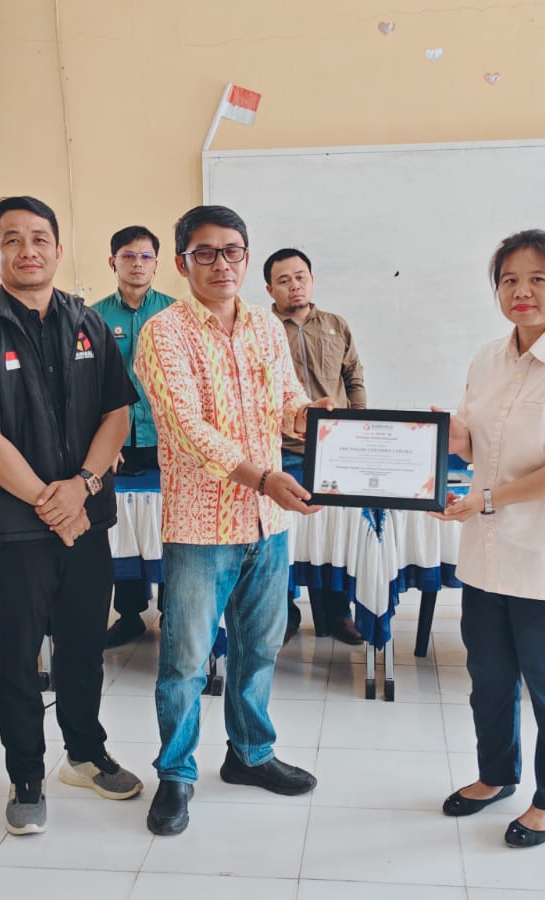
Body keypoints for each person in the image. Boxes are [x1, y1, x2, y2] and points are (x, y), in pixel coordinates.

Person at [0, 196, 143, 836]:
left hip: (86, 517)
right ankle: (25, 774)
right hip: (18, 528)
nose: (27, 250)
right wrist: (52, 504)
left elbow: (117, 415)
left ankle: (84, 754)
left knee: (84, 645)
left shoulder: (90, 325)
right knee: (19, 655)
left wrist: (81, 488)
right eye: (12, 240)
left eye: (39, 238)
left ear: (58, 249)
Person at [133, 205, 331, 836]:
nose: (222, 264)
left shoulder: (265, 327)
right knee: (187, 660)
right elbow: (187, 430)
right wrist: (264, 478)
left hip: (267, 524)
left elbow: (286, 402)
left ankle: (250, 754)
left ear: (247, 258)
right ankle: (176, 774)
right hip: (201, 527)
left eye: (233, 251)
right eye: (206, 252)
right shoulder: (163, 333)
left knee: (260, 647)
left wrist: (314, 417)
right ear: (182, 261)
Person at [434, 229, 545, 849]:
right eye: (509, 279)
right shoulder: (488, 358)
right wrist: (438, 438)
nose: (522, 291)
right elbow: (473, 443)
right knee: (489, 678)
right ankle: (495, 775)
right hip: (487, 556)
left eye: (538, 279)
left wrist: (488, 500)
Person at [264, 248, 368, 646]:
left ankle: (338, 614)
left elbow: (353, 377)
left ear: (311, 280)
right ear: (270, 289)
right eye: (284, 280)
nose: (295, 285)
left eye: (301, 277)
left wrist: (359, 425)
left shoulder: (336, 325)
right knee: (284, 536)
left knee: (332, 532)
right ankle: (285, 615)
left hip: (333, 449)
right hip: (282, 450)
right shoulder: (262, 331)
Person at [90, 225, 176, 648]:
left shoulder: (177, 313)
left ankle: (173, 612)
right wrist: (104, 444)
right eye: (128, 256)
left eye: (145, 256)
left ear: (157, 263)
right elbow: (87, 386)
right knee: (122, 527)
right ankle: (128, 615)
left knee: (171, 526)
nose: (137, 264)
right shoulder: (93, 317)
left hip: (167, 441)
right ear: (113, 262)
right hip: (118, 444)